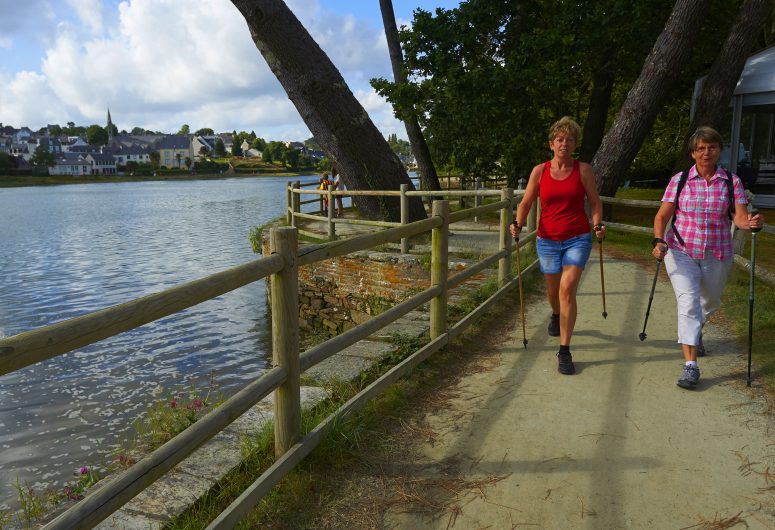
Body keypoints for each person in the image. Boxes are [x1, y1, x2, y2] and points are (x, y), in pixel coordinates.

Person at [652, 126, 764, 390]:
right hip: (681, 251)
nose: (706, 152)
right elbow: (661, 217)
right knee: (688, 302)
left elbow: (738, 217)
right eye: (700, 148)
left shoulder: (730, 181)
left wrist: (751, 224)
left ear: (719, 151)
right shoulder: (680, 180)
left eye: (711, 147)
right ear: (693, 153)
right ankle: (691, 366)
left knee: (710, 300)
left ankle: (694, 331)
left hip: (717, 252)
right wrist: (659, 240)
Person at [509, 116, 606, 375]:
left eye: (570, 139)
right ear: (551, 144)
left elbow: (595, 203)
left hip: (578, 238)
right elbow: (526, 203)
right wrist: (517, 223)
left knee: (566, 290)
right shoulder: (539, 171)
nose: (565, 143)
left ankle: (564, 351)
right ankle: (555, 314)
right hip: (548, 240)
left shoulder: (583, 170)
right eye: (560, 139)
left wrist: (597, 224)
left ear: (575, 144)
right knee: (553, 293)